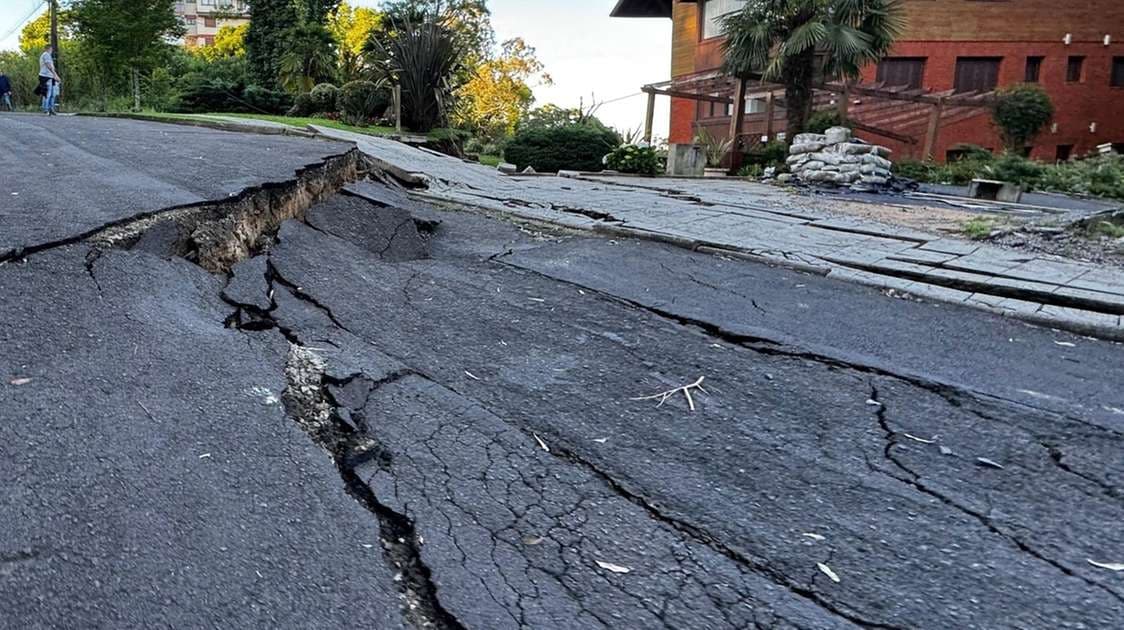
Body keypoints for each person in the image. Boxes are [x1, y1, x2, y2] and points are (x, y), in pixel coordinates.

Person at [38, 45, 61, 115]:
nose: (52, 51)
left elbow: (51, 67)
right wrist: (55, 75)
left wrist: (55, 76)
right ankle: (46, 109)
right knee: (48, 93)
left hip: (50, 76)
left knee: (53, 94)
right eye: (51, 49)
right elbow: (49, 65)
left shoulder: (47, 56)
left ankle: (51, 109)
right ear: (49, 49)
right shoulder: (46, 55)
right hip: (46, 76)